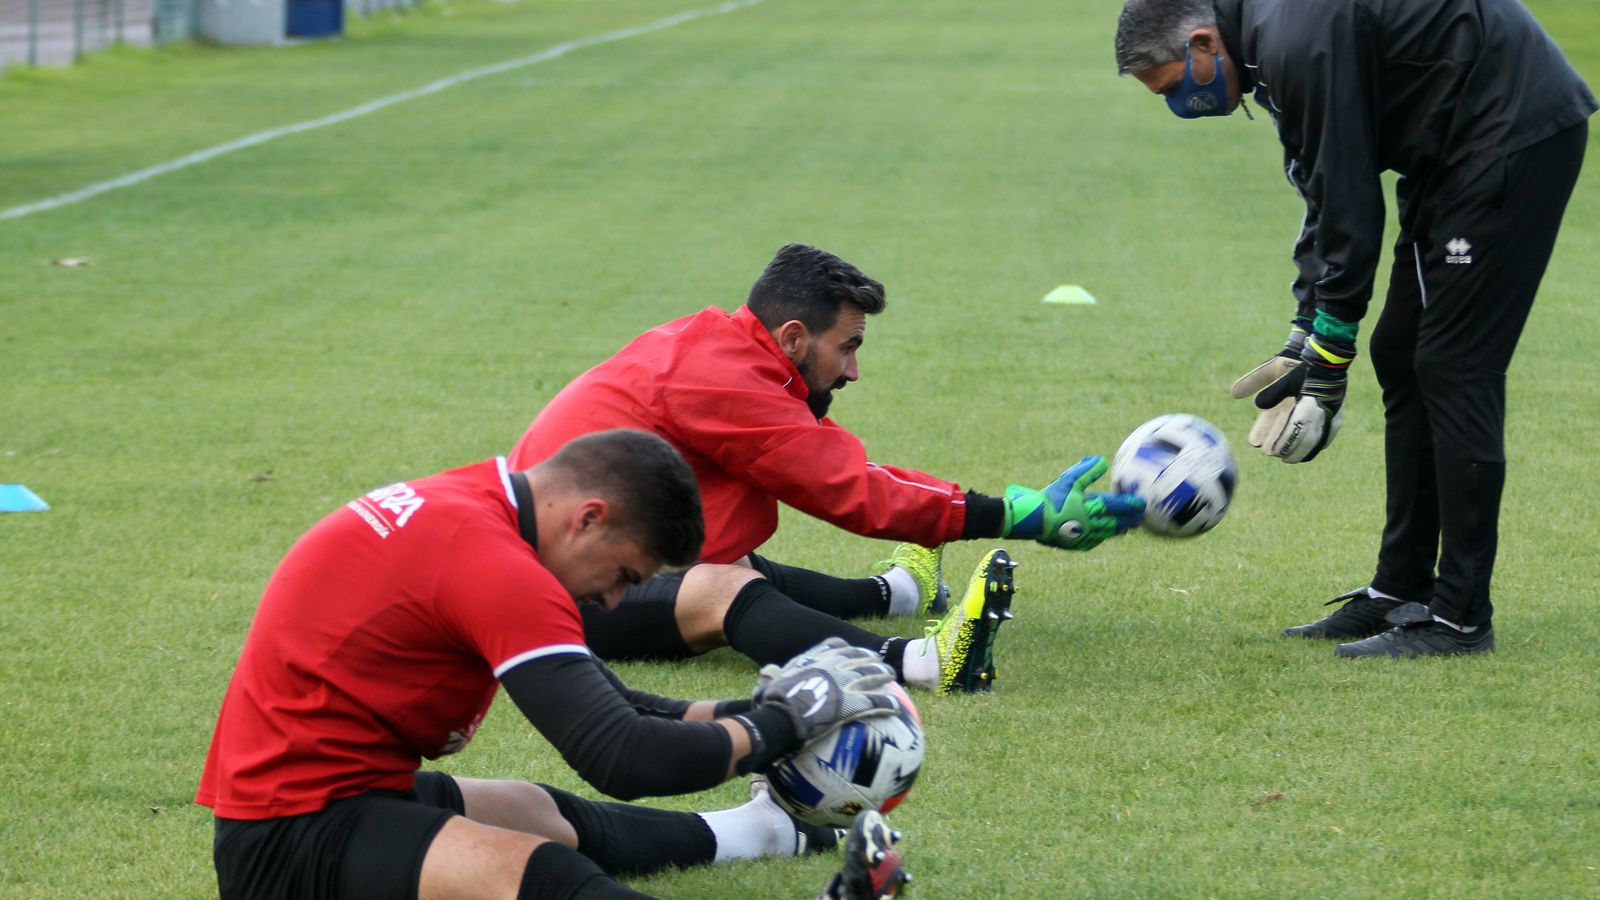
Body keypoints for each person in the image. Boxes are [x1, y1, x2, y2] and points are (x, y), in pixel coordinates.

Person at [196, 429, 908, 899]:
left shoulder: (476, 504)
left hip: (340, 791)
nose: (615, 599)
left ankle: (762, 831)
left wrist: (748, 717)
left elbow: (612, 704)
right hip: (290, 842)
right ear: (588, 517)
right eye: (626, 573)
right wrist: (783, 725)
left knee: (534, 811)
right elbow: (621, 756)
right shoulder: (499, 569)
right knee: (541, 878)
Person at [1114, 0, 1595, 657]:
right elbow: (1319, 184)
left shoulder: (1288, 40)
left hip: (1509, 128)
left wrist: (1330, 364)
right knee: (1401, 352)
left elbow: (1349, 199)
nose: (1180, 106)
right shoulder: (1262, 42)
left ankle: (1458, 619)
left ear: (1203, 41)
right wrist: (1304, 333)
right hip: (1456, 147)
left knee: (1455, 366)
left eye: (1175, 87)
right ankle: (1400, 590)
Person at [510, 244, 1144, 693]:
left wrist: (1014, 509)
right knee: (718, 586)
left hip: (575, 552)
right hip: (559, 588)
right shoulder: (725, 381)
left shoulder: (724, 349)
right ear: (791, 338)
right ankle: (922, 662)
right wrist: (1014, 515)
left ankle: (895, 594)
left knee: (726, 564)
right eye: (848, 347)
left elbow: (848, 464)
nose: (854, 370)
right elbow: (852, 490)